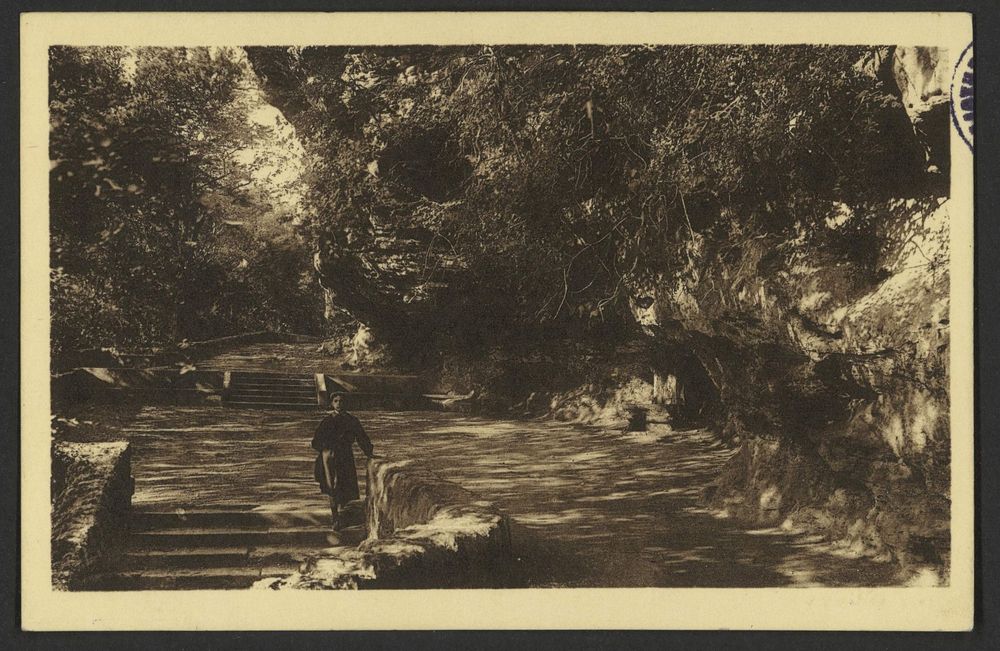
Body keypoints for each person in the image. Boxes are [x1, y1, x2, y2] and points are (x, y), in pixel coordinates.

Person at [311, 393, 374, 529]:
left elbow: (361, 437)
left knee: (346, 484)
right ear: (332, 403)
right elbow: (315, 441)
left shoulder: (352, 420)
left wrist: (369, 452)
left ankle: (345, 517)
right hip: (330, 457)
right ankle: (335, 518)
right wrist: (326, 448)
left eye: (341, 401)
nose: (339, 403)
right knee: (331, 486)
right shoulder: (327, 421)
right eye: (336, 401)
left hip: (345, 456)